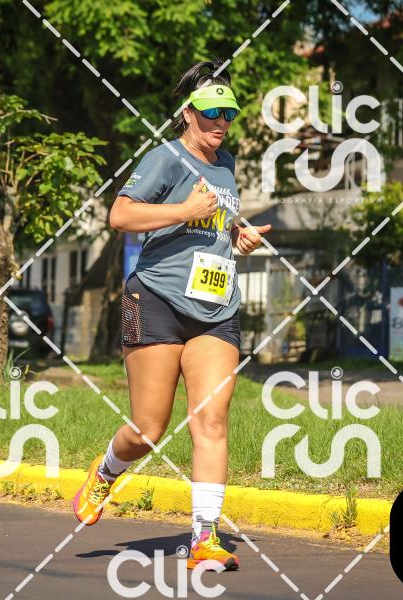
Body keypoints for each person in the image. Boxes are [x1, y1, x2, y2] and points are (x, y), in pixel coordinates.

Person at [72, 60, 271, 572]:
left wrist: (238, 240)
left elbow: (214, 230)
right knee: (148, 429)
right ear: (188, 113)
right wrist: (184, 211)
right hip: (156, 300)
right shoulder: (164, 158)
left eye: (229, 114)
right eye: (211, 113)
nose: (221, 122)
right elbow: (120, 215)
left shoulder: (226, 165)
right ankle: (106, 471)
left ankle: (204, 537)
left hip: (215, 308)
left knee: (212, 418)